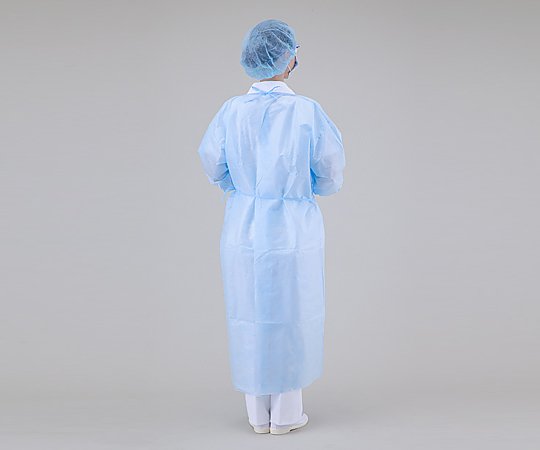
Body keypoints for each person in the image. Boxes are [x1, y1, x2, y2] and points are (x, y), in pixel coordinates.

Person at [197, 19, 345, 435]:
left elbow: (213, 163)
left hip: (243, 226)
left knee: (250, 313)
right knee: (291, 314)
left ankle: (257, 415)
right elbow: (330, 173)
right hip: (293, 227)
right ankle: (286, 414)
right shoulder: (306, 112)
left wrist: (242, 188)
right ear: (289, 58)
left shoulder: (231, 111)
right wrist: (300, 189)